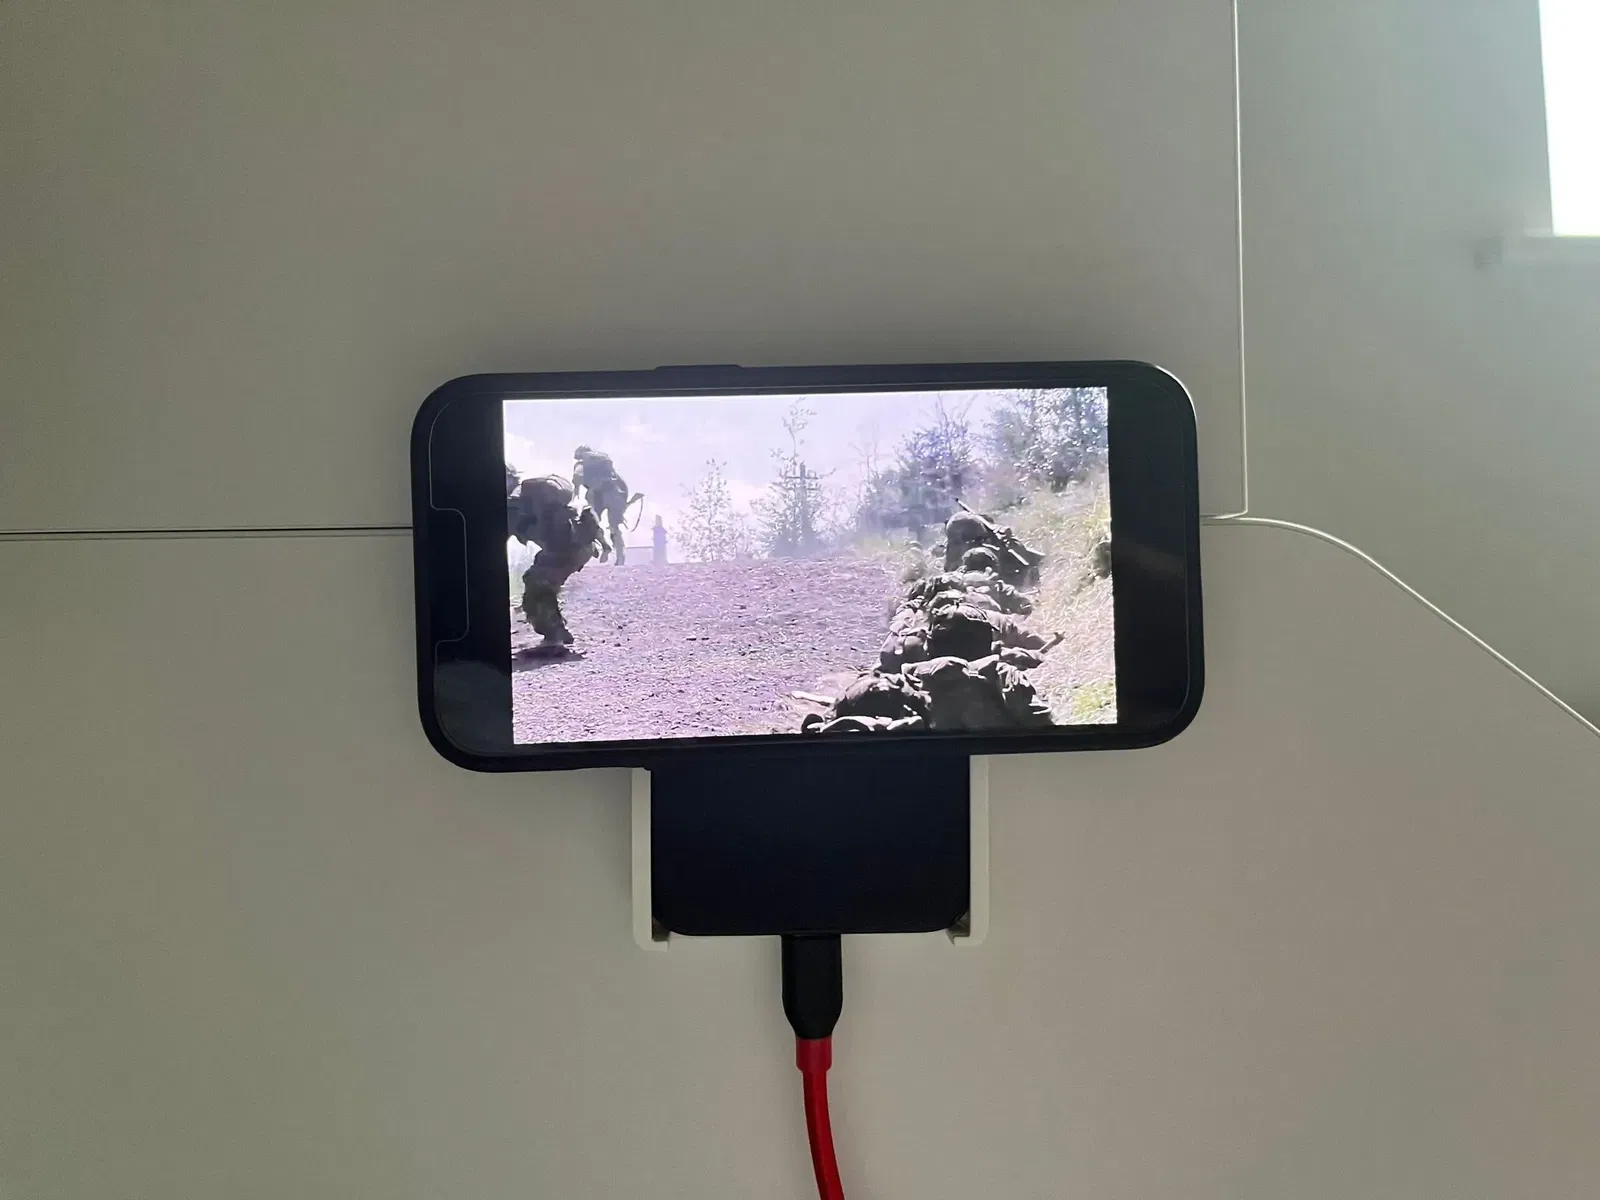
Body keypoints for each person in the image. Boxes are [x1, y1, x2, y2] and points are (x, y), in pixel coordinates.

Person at [508, 474, 605, 652]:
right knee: (538, 581)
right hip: (577, 546)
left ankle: (554, 637)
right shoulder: (532, 498)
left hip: (566, 549)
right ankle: (557, 630)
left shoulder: (515, 504)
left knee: (537, 585)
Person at [571, 445, 643, 566]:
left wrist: (576, 487)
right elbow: (621, 484)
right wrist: (624, 502)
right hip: (614, 494)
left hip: (596, 495)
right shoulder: (604, 464)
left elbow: (577, 476)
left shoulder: (582, 464)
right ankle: (620, 557)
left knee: (592, 522)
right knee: (614, 527)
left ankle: (605, 546)